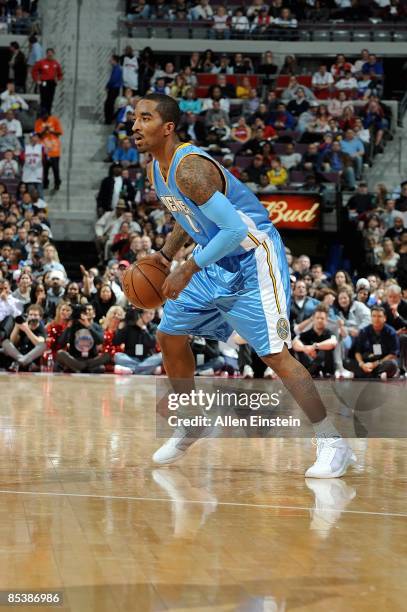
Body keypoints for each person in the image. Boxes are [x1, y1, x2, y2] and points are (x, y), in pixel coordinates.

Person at [132, 93, 356, 478]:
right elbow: (187, 216)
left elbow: (235, 230)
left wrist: (186, 268)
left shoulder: (190, 168)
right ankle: (191, 419)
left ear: (167, 127)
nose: (135, 126)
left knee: (275, 356)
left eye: (145, 118)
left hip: (253, 258)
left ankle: (332, 441)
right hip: (214, 257)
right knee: (169, 333)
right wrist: (167, 255)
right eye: (134, 118)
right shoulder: (157, 167)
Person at [344, 306, 399, 379]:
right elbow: (357, 351)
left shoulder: (391, 332)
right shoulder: (364, 331)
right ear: (371, 318)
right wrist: (362, 364)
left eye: (379, 316)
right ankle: (373, 375)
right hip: (365, 363)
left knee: (392, 364)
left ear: (384, 318)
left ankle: (365, 375)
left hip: (380, 363)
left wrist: (374, 364)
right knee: (346, 362)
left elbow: (393, 354)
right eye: (374, 316)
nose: (376, 319)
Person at [113, 308, 163, 374]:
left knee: (161, 356)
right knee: (117, 356)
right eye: (146, 312)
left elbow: (152, 343)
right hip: (131, 358)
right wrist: (121, 328)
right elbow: (116, 342)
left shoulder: (154, 327)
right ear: (140, 313)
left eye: (151, 313)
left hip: (147, 359)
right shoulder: (130, 326)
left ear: (154, 316)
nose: (148, 315)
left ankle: (132, 370)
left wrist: (144, 328)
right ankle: (146, 370)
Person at [292, 306, 337, 377]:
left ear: (326, 320)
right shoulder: (307, 333)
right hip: (309, 366)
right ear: (313, 319)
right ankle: (312, 371)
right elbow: (294, 342)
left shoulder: (329, 333)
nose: (319, 320)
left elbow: (333, 343)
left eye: (322, 318)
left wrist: (315, 346)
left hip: (326, 370)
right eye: (317, 318)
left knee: (326, 348)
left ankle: (315, 370)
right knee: (300, 347)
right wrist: (305, 348)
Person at [1, 303, 47, 371]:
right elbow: (13, 342)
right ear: (27, 315)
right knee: (5, 343)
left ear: (40, 317)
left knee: (43, 346)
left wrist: (27, 329)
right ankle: (23, 361)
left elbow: (38, 343)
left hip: (32, 357)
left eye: (35, 315)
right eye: (31, 315)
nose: (33, 317)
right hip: (19, 354)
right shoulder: (23, 324)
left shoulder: (41, 328)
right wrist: (17, 327)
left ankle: (20, 363)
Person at [32, 48, 63, 114]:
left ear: (53, 54)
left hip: (52, 83)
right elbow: (34, 71)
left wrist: (57, 79)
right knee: (44, 98)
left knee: (50, 98)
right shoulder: (41, 62)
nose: (50, 54)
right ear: (46, 54)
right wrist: (37, 80)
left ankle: (48, 113)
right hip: (44, 82)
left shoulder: (56, 63)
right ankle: (43, 113)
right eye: (48, 53)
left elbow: (60, 74)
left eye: (51, 53)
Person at [104, 55, 123, 125]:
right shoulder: (115, 68)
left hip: (114, 89)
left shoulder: (117, 69)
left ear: (115, 60)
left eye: (111, 59)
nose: (110, 61)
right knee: (109, 104)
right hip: (113, 88)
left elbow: (113, 79)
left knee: (109, 104)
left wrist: (107, 86)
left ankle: (109, 119)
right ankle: (109, 119)